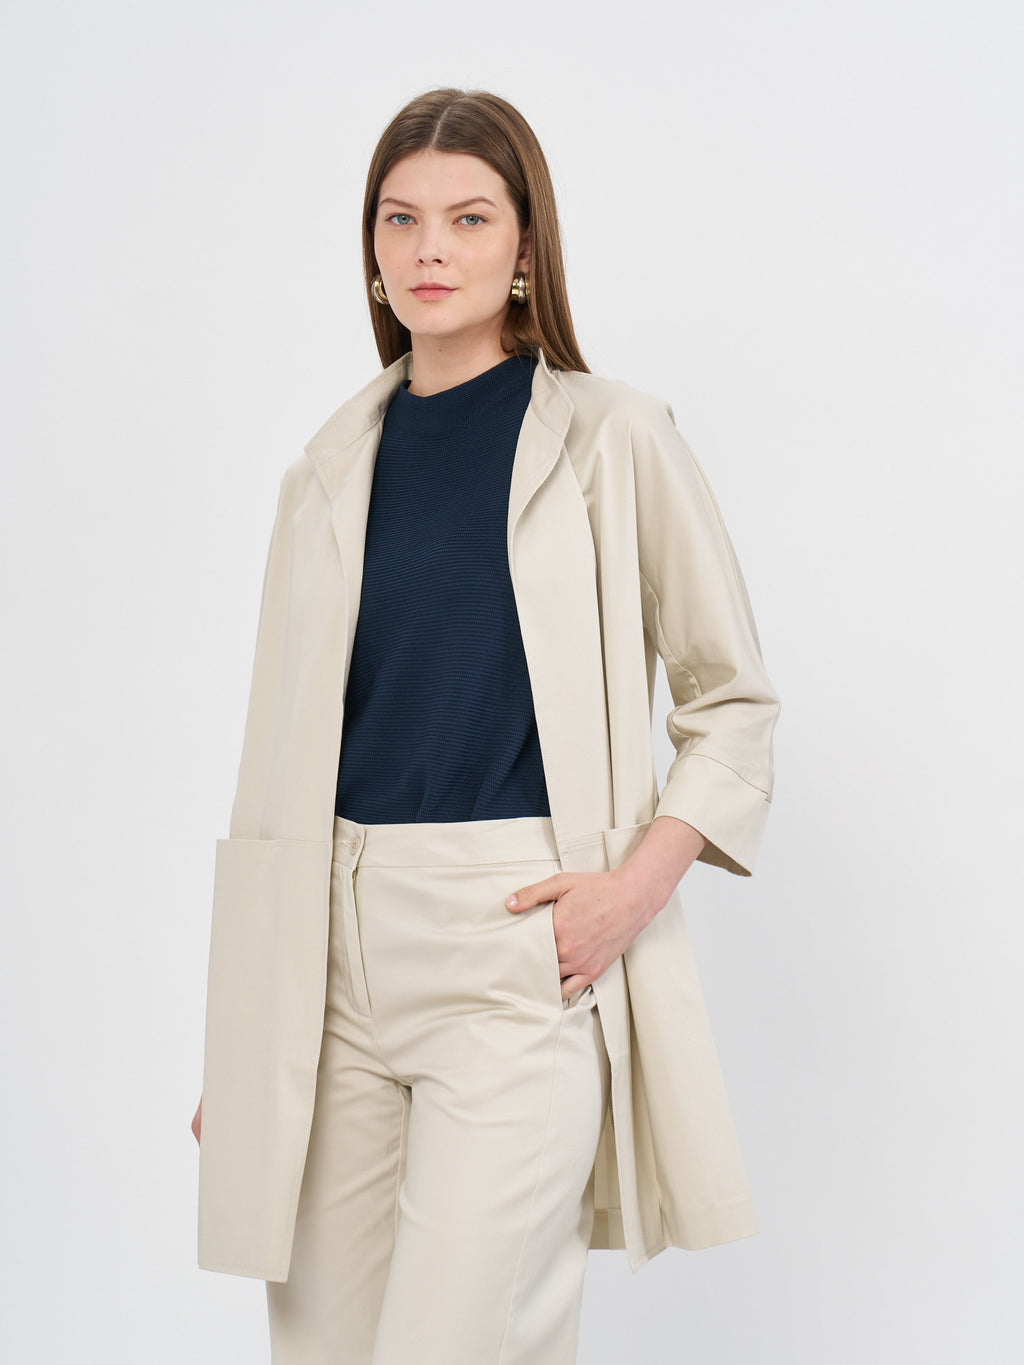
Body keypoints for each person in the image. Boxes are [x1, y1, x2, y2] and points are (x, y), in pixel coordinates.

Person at [192, 87, 780, 1365]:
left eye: (467, 218)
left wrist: (632, 891)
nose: (429, 250)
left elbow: (731, 702)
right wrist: (253, 1029)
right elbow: (277, 759)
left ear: (524, 246)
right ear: (370, 247)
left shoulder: (614, 436)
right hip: (327, 957)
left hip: (511, 945)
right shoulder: (323, 469)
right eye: (399, 219)